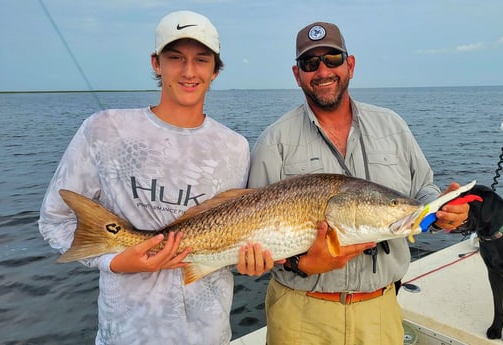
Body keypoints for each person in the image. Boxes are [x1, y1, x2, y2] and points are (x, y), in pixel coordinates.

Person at [39, 10, 274, 345]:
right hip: (126, 335)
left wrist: (252, 260)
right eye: (175, 58)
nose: (189, 71)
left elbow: (233, 234)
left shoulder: (235, 147)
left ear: (215, 70)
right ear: (156, 63)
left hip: (209, 334)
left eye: (201, 60)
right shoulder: (104, 129)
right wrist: (116, 261)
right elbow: (54, 221)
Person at [247, 21, 470, 344]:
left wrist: (443, 212)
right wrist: (302, 264)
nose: (323, 71)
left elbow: (422, 192)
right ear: (297, 75)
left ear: (350, 65)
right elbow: (255, 231)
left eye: (332, 59)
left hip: (379, 310)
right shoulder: (274, 140)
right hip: (300, 314)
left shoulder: (392, 126)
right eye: (310, 63)